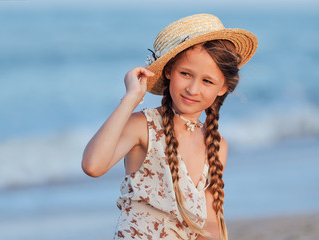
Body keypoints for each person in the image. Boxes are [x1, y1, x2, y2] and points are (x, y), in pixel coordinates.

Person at [82, 14, 258, 240]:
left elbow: (211, 220)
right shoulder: (143, 126)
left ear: (222, 87)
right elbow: (92, 166)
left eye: (207, 81)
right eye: (185, 74)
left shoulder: (216, 145)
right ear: (169, 73)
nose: (193, 89)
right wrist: (132, 97)